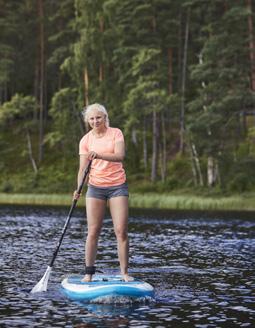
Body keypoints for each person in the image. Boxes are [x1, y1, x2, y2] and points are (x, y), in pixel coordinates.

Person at [73, 103, 133, 282]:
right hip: (95, 188)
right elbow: (83, 169)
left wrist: (98, 155)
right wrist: (78, 189)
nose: (95, 121)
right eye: (91, 118)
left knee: (121, 231)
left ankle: (124, 273)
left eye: (98, 117)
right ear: (87, 121)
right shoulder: (85, 140)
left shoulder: (116, 133)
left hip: (117, 186)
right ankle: (88, 273)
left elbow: (120, 155)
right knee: (93, 231)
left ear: (105, 117)